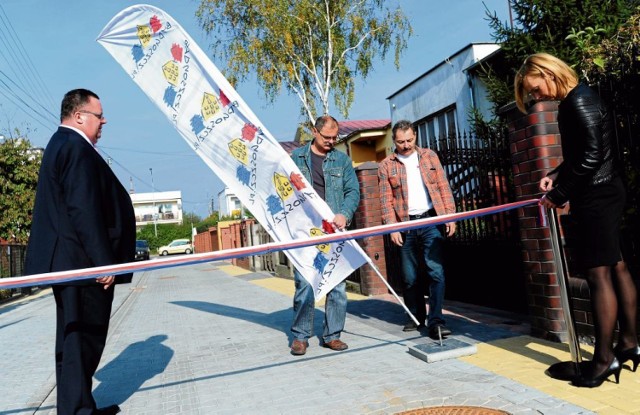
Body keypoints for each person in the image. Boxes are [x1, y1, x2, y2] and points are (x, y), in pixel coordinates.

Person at [514, 53, 639, 388]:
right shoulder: (584, 96)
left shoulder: (575, 103)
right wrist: (556, 175)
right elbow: (589, 151)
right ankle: (628, 343)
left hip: (597, 197)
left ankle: (602, 360)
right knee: (618, 267)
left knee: (598, 275)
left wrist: (558, 194)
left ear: (546, 72)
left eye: (535, 88)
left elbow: (590, 156)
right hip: (608, 189)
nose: (536, 96)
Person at [24, 89, 136, 414]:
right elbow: (83, 210)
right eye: (99, 116)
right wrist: (103, 263)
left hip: (73, 262)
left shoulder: (63, 144)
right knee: (81, 340)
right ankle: (76, 411)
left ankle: (79, 406)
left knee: (76, 340)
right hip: (82, 265)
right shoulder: (74, 147)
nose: (104, 121)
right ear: (78, 116)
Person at [378, 120, 456, 340]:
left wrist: (450, 215)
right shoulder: (386, 165)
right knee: (410, 276)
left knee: (436, 271)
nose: (406, 145)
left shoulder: (430, 156)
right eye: (401, 141)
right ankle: (416, 316)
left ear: (415, 137)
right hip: (406, 225)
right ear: (394, 141)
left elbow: (443, 186)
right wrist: (393, 228)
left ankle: (436, 321)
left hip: (431, 220)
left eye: (409, 140)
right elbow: (385, 199)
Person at [289, 115, 360, 356]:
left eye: (334, 137)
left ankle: (333, 335)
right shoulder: (295, 158)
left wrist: (344, 213)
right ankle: (300, 336)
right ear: (314, 132)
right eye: (326, 137)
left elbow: (353, 191)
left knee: (337, 285)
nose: (331, 141)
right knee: (304, 284)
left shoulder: (342, 161)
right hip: (305, 233)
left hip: (335, 232)